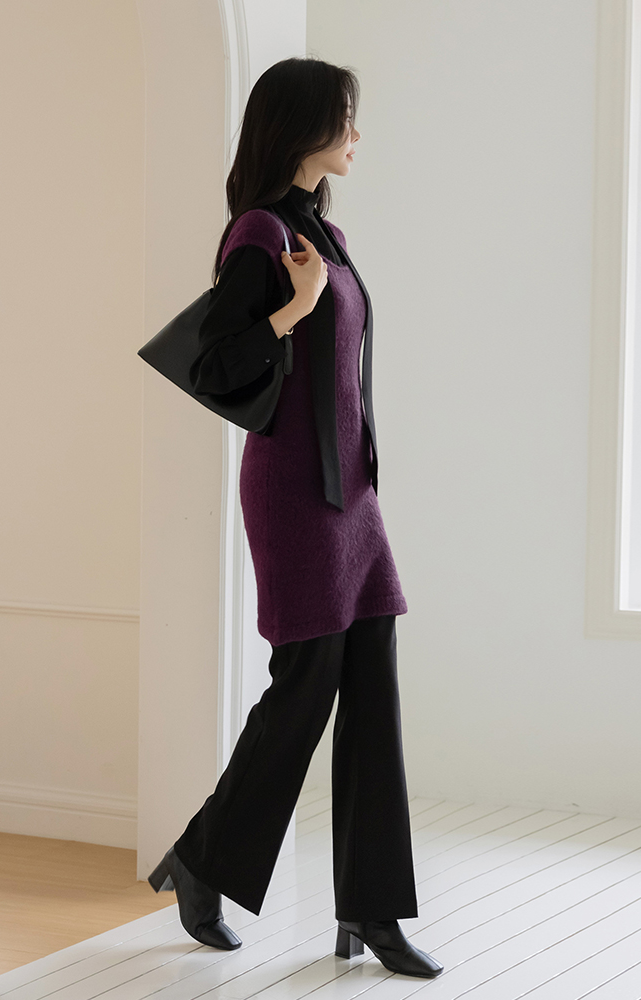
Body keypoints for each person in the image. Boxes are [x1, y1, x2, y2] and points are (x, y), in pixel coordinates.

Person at [146, 56, 443, 980]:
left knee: (373, 689)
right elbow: (214, 363)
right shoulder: (260, 235)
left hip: (353, 496)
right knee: (305, 689)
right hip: (294, 492)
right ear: (304, 126)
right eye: (345, 119)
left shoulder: (326, 232)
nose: (356, 135)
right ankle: (203, 860)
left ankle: (373, 910)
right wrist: (295, 310)